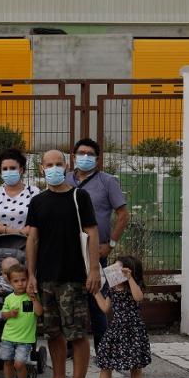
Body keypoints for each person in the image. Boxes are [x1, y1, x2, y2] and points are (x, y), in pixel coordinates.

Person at [25, 149, 100, 378]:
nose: (54, 168)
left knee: (76, 333)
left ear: (66, 166)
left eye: (59, 164)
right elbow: (32, 239)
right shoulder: (38, 201)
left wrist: (94, 269)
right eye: (49, 164)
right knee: (53, 332)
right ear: (42, 168)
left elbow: (92, 233)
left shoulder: (80, 196)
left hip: (73, 276)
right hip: (46, 277)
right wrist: (31, 275)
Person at [67, 138, 130, 349]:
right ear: (73, 156)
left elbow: (123, 215)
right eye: (81, 153)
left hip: (95, 250)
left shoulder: (107, 181)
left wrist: (111, 244)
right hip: (67, 250)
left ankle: (104, 348)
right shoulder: (65, 179)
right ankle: (70, 347)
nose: (85, 157)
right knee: (68, 299)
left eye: (90, 154)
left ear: (97, 158)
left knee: (97, 299)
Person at [82, 256, 151, 378]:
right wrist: (96, 293)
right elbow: (106, 308)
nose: (113, 270)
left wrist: (130, 278)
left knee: (136, 366)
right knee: (106, 363)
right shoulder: (112, 289)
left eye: (119, 268)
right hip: (116, 329)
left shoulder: (134, 286)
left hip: (134, 330)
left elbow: (138, 297)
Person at [0, 263, 42, 378]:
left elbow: (39, 312)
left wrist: (33, 299)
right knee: (7, 362)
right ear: (10, 282)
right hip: (8, 336)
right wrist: (9, 314)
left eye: (23, 280)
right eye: (16, 281)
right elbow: (2, 315)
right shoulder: (9, 298)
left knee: (19, 364)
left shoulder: (31, 297)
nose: (20, 284)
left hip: (24, 339)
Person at [0, 148, 40, 237]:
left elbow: (39, 220)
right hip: (0, 246)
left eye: (13, 168)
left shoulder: (33, 192)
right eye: (5, 169)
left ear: (21, 170)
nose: (8, 171)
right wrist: (10, 231)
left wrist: (24, 232)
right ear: (0, 172)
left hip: (27, 243)